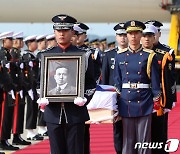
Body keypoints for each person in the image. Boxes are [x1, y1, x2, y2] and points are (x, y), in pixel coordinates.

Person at [38, 14, 96, 154]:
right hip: (53, 112)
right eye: (59, 31)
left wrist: (84, 98)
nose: (62, 34)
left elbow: (92, 83)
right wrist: (42, 96)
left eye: (65, 30)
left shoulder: (85, 55)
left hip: (75, 112)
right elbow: (38, 81)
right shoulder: (45, 55)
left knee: (76, 150)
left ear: (72, 32)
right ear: (54, 32)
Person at [114, 20, 161, 154]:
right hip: (126, 100)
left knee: (144, 141)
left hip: (144, 99)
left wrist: (157, 100)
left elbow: (155, 82)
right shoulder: (120, 56)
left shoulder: (149, 55)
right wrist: (115, 101)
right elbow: (117, 81)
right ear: (127, 35)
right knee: (128, 141)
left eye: (136, 33)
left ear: (141, 35)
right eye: (130, 33)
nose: (133, 37)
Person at [145, 20, 176, 154]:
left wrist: (170, 99)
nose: (150, 36)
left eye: (154, 33)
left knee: (160, 133)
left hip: (160, 100)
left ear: (158, 34)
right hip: (142, 98)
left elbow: (170, 78)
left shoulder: (166, 52)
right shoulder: (138, 51)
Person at [101, 22, 128, 154]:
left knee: (132, 127)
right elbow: (105, 79)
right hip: (115, 98)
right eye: (120, 35)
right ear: (116, 37)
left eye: (125, 35)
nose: (123, 38)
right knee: (118, 129)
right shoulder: (109, 55)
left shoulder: (135, 54)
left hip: (131, 97)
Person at [10, 32, 31, 145]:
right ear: (16, 42)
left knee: (20, 111)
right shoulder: (13, 53)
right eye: (20, 40)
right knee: (17, 112)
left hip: (21, 87)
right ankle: (15, 135)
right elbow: (13, 73)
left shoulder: (18, 53)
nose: (22, 43)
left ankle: (18, 134)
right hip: (16, 87)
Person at [0, 31, 19, 150]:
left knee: (8, 115)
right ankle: (2, 140)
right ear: (3, 41)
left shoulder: (7, 54)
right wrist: (8, 87)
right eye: (9, 40)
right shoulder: (2, 54)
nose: (12, 42)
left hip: (9, 87)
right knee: (4, 116)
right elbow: (3, 74)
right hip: (4, 88)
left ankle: (5, 139)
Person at [22, 35, 44, 141]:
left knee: (35, 108)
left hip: (34, 85)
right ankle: (30, 131)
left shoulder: (32, 55)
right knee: (31, 108)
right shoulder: (27, 56)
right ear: (30, 44)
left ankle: (33, 130)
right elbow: (28, 74)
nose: (36, 44)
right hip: (30, 86)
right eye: (34, 42)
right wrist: (29, 87)